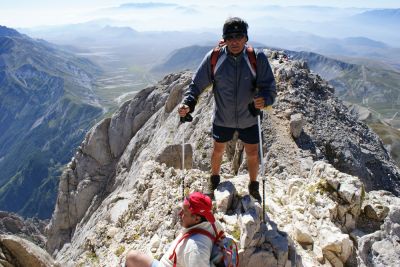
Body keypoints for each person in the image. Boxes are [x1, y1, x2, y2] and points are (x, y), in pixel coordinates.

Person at [178, 17, 276, 202]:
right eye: (230, 37)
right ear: (224, 38)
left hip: (250, 116)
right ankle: (214, 181)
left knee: (253, 152)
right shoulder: (215, 58)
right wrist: (188, 104)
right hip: (223, 117)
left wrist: (265, 100)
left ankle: (253, 186)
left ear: (246, 38)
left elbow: (269, 87)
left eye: (239, 36)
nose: (235, 41)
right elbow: (197, 84)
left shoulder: (257, 58)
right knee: (217, 150)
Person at [125, 192, 220, 267]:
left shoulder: (196, 249)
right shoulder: (212, 224)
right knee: (133, 257)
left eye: (184, 212)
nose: (180, 214)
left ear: (196, 219)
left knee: (131, 258)